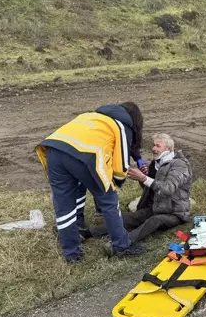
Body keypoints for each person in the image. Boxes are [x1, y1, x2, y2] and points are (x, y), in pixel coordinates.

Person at [36, 102, 146, 262]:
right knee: (109, 200)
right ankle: (122, 247)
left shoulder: (91, 116)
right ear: (134, 119)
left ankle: (72, 253)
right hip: (85, 156)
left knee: (64, 205)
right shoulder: (121, 126)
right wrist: (115, 184)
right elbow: (121, 164)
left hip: (53, 149)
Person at [83, 133, 192, 247]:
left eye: (157, 146)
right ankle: (88, 232)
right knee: (125, 217)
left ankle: (123, 243)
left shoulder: (180, 165)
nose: (153, 148)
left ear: (169, 148)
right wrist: (141, 179)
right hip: (154, 208)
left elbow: (167, 189)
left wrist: (144, 178)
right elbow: (150, 188)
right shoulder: (156, 164)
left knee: (153, 221)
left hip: (174, 213)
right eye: (153, 145)